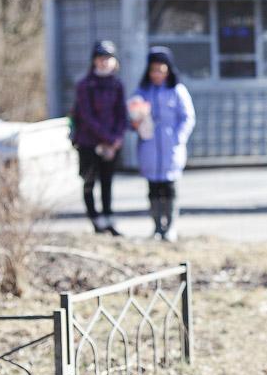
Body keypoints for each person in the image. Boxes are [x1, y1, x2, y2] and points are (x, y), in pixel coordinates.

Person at [131, 47, 196, 243]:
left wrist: (178, 138)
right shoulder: (141, 92)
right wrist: (137, 121)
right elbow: (132, 118)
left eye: (161, 69)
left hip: (170, 147)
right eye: (154, 70)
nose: (157, 74)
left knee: (169, 187)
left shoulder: (177, 91)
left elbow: (188, 117)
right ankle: (157, 226)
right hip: (149, 146)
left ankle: (171, 226)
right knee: (153, 188)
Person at [71, 40, 127, 236]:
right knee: (89, 182)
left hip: (111, 144)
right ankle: (95, 220)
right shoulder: (85, 85)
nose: (104, 62)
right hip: (88, 142)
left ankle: (109, 219)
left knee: (107, 182)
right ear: (94, 61)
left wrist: (117, 138)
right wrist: (107, 138)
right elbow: (86, 116)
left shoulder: (117, 85)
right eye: (100, 58)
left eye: (107, 58)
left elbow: (122, 114)